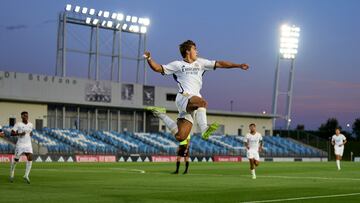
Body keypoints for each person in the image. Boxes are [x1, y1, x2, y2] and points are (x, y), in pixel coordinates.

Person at [144, 40, 249, 141]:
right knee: (202, 102)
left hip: (193, 103)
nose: (197, 51)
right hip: (183, 97)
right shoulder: (178, 64)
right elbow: (158, 68)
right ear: (187, 51)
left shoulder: (201, 63)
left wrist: (238, 65)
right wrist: (149, 58)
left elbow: (220, 64)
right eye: (194, 49)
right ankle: (204, 129)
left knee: (180, 137)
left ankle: (160, 114)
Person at [10, 111, 34, 184]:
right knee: (16, 160)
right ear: (21, 117)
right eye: (24, 116)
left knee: (30, 158)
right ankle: (12, 171)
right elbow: (12, 133)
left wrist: (31, 133)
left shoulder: (31, 124)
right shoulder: (18, 124)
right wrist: (20, 133)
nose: (26, 117)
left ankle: (26, 175)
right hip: (20, 145)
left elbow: (31, 132)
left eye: (27, 115)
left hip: (28, 144)